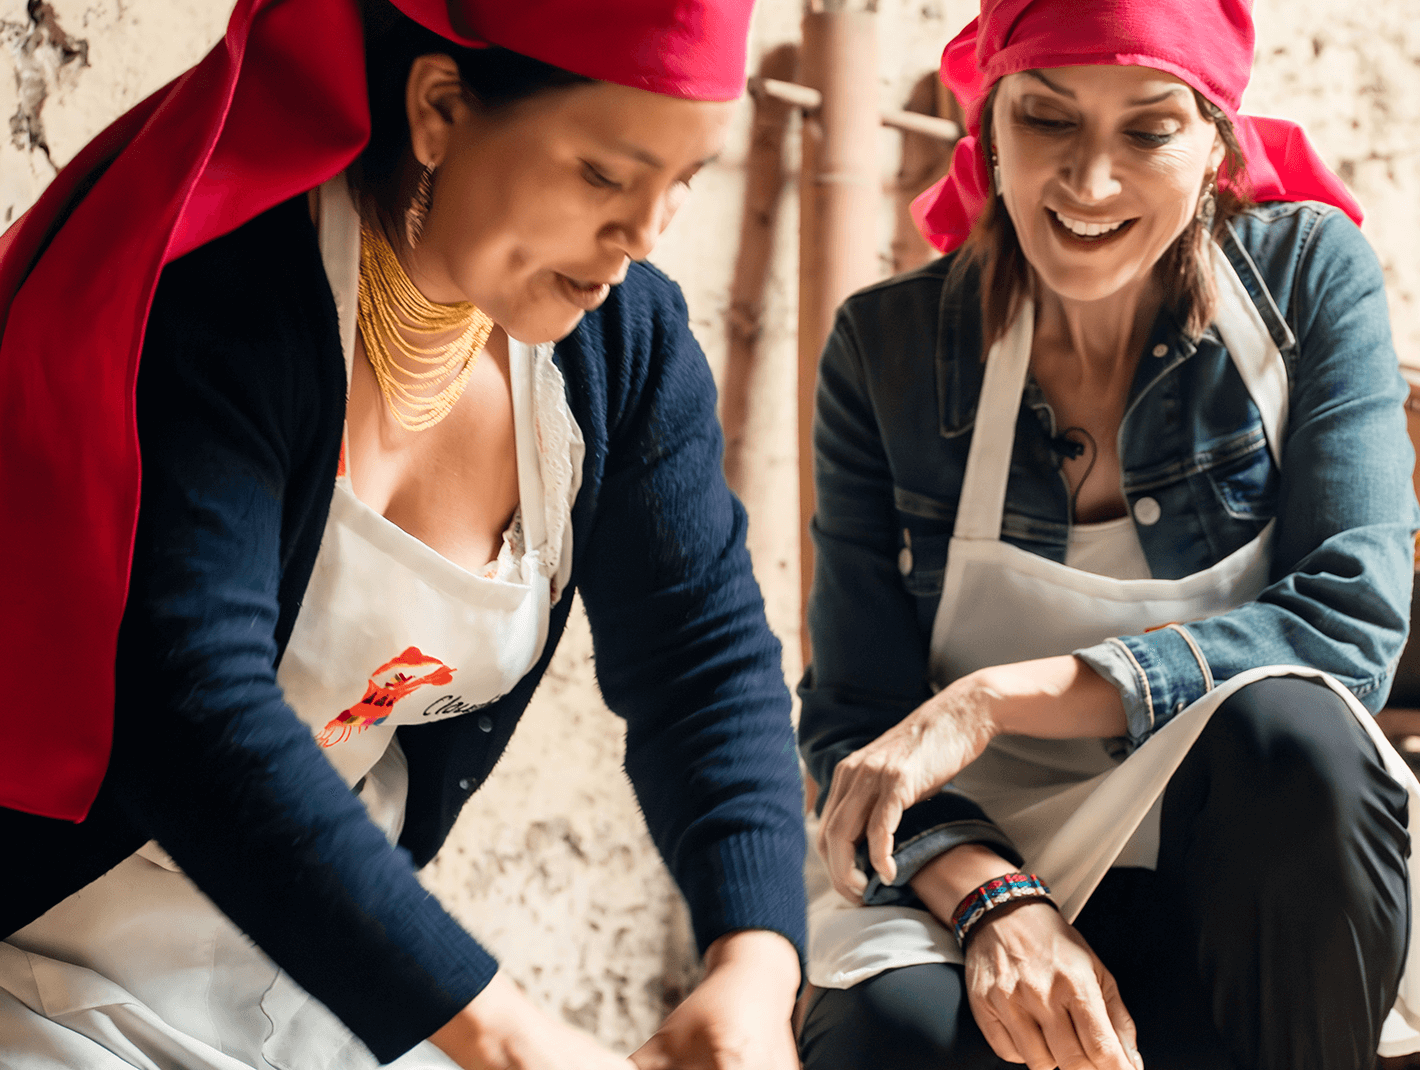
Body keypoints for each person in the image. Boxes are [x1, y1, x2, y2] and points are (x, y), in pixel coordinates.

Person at [0, 0, 806, 1067]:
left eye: (685, 180)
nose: (645, 235)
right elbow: (192, 705)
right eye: (603, 175)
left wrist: (756, 966)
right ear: (439, 108)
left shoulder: (623, 345)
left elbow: (701, 663)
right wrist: (509, 1038)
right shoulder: (226, 294)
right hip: (52, 958)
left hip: (330, 979)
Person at [796, 1, 1420, 1068]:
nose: (1089, 181)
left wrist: (990, 699)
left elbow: (1347, 625)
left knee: (1293, 731)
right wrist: (995, 900)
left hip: (1241, 863)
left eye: (1149, 129)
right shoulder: (886, 346)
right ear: (990, 127)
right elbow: (858, 713)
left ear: (1216, 142)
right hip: (975, 849)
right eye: (1047, 119)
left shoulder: (1309, 279)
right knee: (892, 1035)